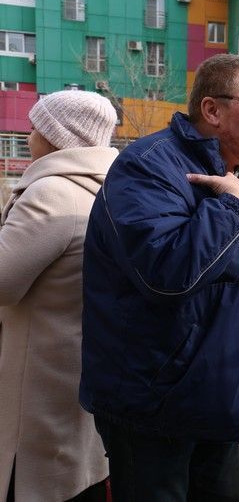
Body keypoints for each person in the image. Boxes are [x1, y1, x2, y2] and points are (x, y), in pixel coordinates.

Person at [79, 54, 239, 501]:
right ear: (212, 110)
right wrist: (230, 205)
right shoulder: (148, 166)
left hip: (217, 397)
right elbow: (167, 275)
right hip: (157, 408)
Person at [0, 91, 119, 501]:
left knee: (33, 482)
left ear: (55, 134)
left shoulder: (51, 193)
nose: (30, 135)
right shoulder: (108, 191)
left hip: (35, 380)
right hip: (80, 367)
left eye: (36, 126)